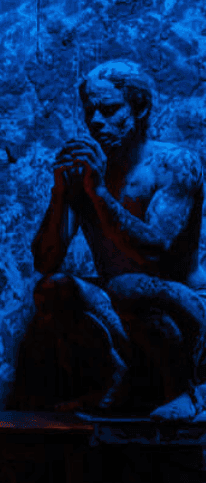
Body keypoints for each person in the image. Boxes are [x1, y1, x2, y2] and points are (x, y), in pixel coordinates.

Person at [28, 60, 205, 419]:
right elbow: (46, 261)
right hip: (123, 299)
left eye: (109, 110)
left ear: (140, 109)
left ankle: (182, 390)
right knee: (54, 288)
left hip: (186, 305)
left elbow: (156, 253)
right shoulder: (87, 171)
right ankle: (117, 377)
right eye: (89, 112)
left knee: (128, 285)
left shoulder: (174, 165)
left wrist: (99, 195)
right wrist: (61, 194)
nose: (96, 122)